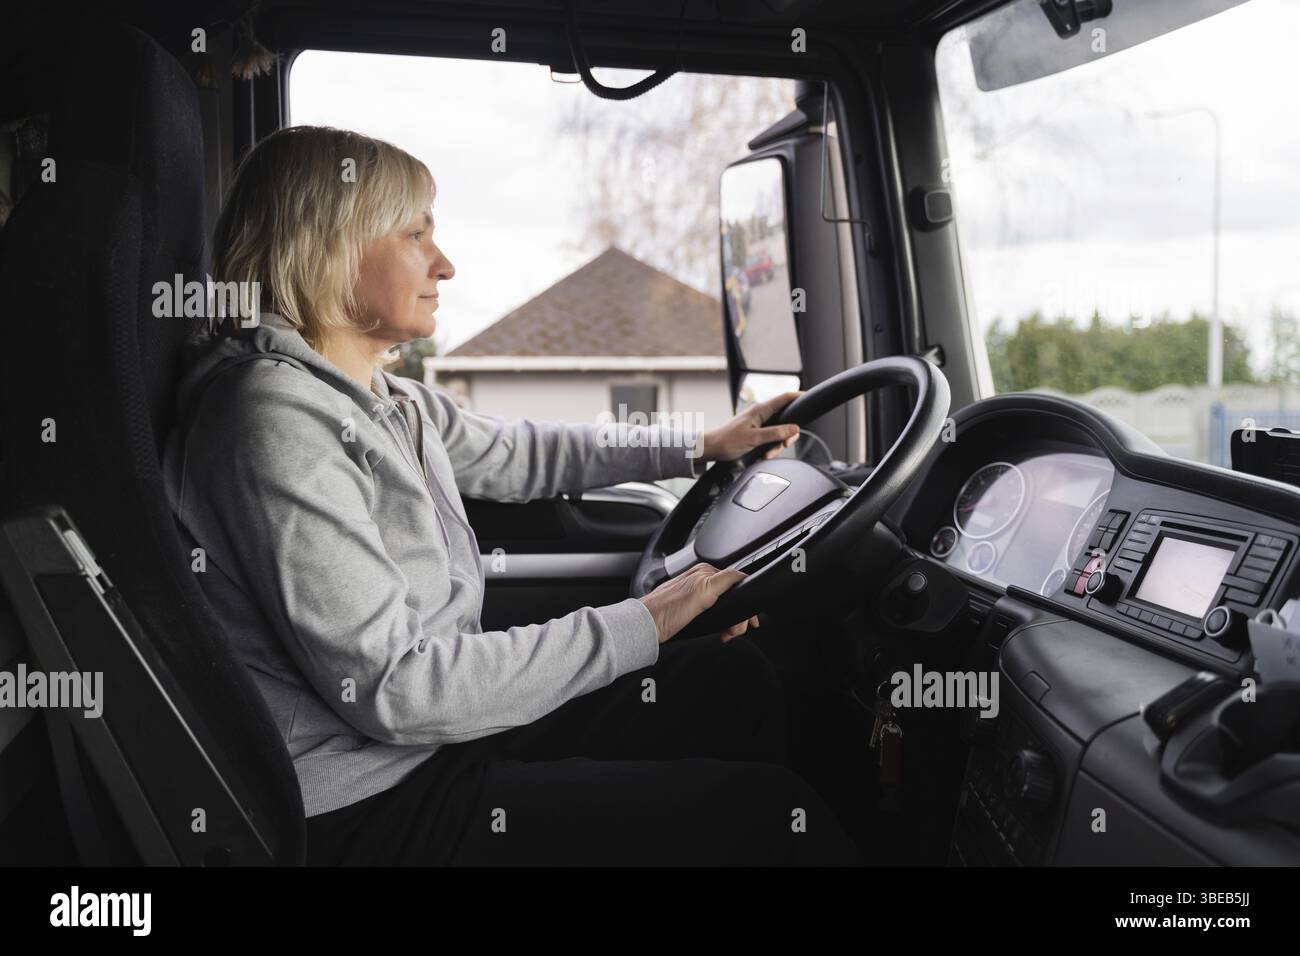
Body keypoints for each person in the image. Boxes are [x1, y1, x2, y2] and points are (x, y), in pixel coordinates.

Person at [162, 125, 861, 865]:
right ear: (329, 247)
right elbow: (399, 687)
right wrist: (646, 621)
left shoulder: (385, 397)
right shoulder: (275, 423)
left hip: (427, 740)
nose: (446, 264)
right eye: (415, 235)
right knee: (774, 819)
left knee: (734, 686)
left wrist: (698, 444)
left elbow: (524, 453)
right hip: (365, 803)